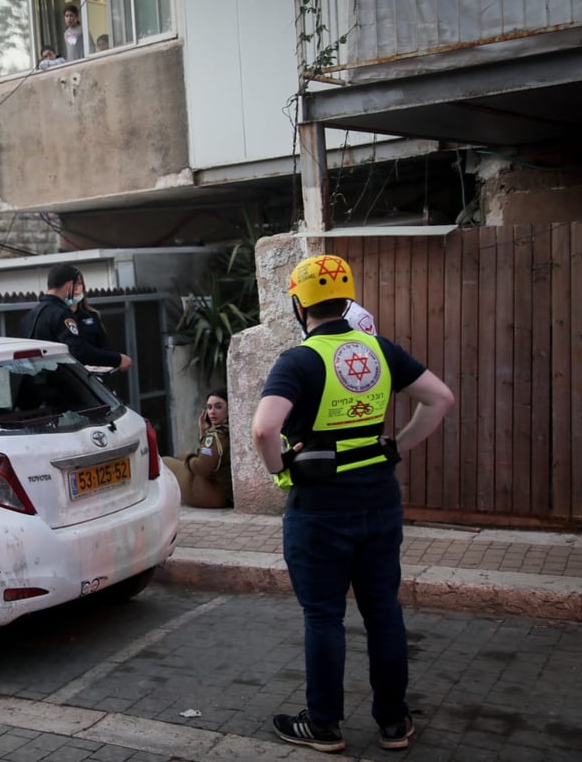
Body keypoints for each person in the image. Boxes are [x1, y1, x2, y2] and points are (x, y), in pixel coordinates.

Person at [251, 254, 453, 753]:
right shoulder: (379, 350)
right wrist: (394, 447)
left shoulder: (298, 360)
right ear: (347, 298)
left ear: (300, 304)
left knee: (323, 616)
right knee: (383, 610)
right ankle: (393, 723)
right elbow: (440, 398)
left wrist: (280, 472)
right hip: (379, 497)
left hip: (320, 504)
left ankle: (324, 725)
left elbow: (263, 428)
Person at [19, 263, 131, 371]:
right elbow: (78, 351)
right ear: (69, 285)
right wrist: (118, 359)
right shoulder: (61, 314)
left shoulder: (30, 315)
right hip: (60, 382)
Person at [164, 388, 233, 508]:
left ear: (229, 409)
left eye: (218, 407)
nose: (212, 412)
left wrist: (188, 461)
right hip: (225, 491)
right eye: (209, 407)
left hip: (214, 494)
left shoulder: (216, 437)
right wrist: (203, 433)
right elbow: (211, 454)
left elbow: (202, 467)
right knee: (182, 455)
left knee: (165, 462)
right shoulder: (229, 430)